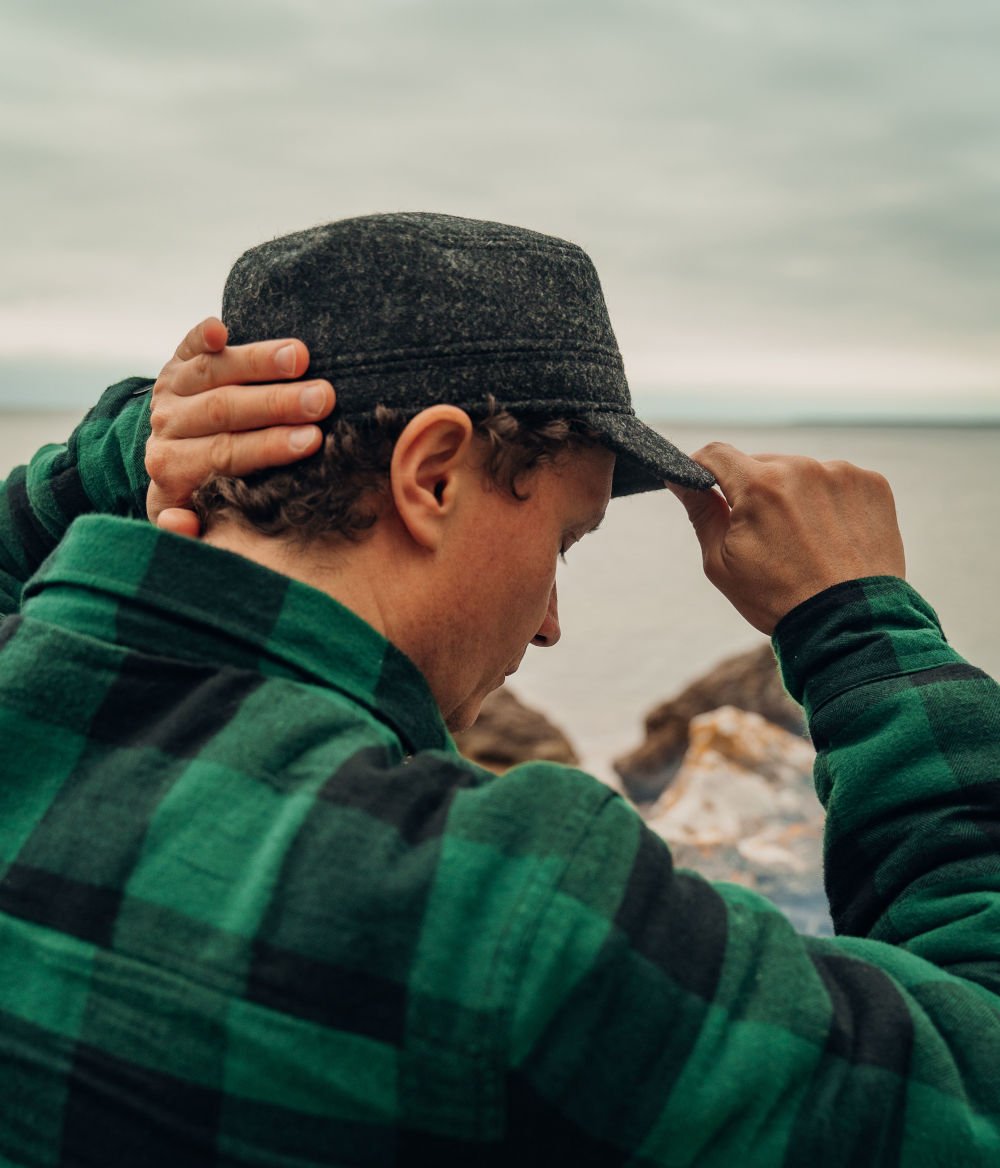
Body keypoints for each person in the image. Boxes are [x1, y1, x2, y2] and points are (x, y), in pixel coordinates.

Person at [0, 212, 997, 1166]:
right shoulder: (499, 906)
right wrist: (856, 621)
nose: (552, 622)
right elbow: (973, 1082)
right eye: (564, 539)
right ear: (431, 476)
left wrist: (129, 449)